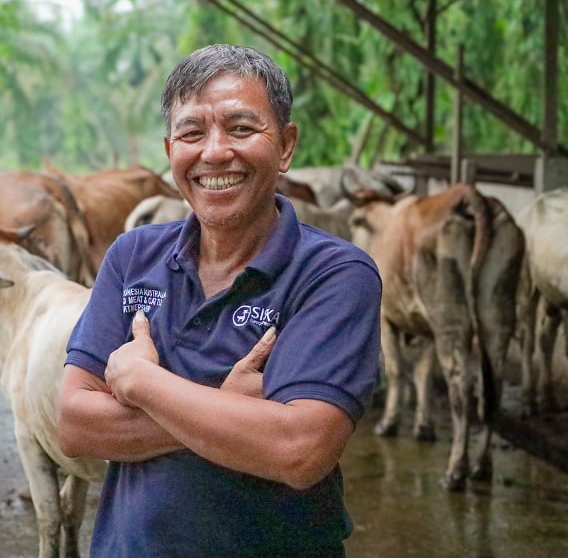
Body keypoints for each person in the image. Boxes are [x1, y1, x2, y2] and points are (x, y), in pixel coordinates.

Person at [56, 44, 382, 557]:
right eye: (191, 133)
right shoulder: (132, 255)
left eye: (241, 128)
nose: (214, 152)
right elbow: (74, 425)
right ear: (170, 153)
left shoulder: (335, 274)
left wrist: (141, 382)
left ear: (286, 146)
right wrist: (230, 410)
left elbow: (299, 450)